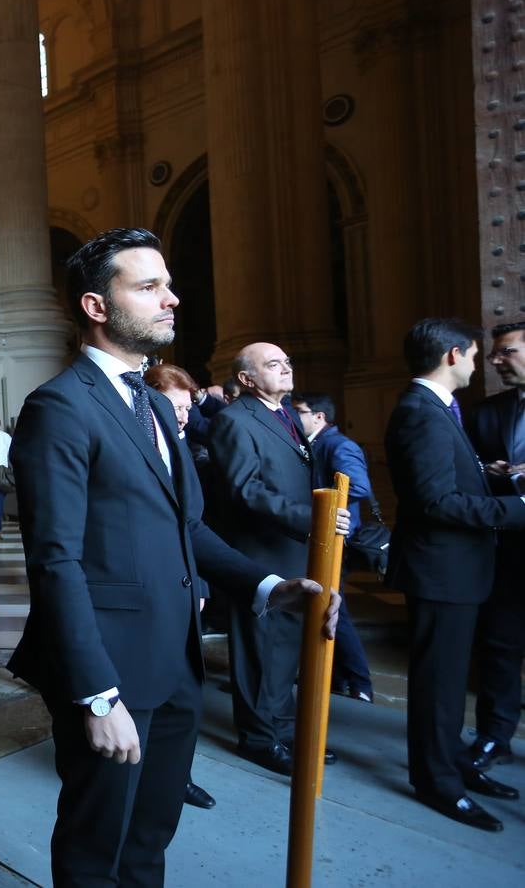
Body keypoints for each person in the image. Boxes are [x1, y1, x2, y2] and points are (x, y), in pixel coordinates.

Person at [8, 228, 340, 886]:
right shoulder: (59, 408)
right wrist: (96, 696)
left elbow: (187, 526)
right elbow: (54, 563)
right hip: (110, 672)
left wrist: (270, 585)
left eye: (167, 284)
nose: (172, 299)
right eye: (149, 286)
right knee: (95, 847)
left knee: (149, 840)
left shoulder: (156, 404)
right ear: (96, 307)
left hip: (175, 661)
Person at [386, 318, 525, 832]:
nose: (477, 363)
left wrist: (489, 478)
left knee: (448, 683)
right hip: (440, 571)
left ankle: (455, 764)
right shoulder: (420, 411)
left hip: (458, 570)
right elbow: (436, 502)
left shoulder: (437, 408)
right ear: (450, 355)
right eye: (471, 354)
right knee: (438, 684)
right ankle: (437, 782)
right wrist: (519, 509)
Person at [206, 342, 348, 775]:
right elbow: (246, 489)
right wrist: (314, 519)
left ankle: (285, 733)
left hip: (292, 549)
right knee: (261, 651)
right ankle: (258, 739)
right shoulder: (233, 420)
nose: (286, 368)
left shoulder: (284, 414)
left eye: (287, 361)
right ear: (247, 380)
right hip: (261, 552)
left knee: (285, 652)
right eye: (273, 364)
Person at [144, 363, 217, 813]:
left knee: (182, 694)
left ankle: (178, 775)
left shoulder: (183, 444)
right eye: (176, 407)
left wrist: (203, 578)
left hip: (186, 587)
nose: (185, 417)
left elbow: (192, 525)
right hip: (147, 591)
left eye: (189, 407)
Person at [464, 321, 525, 772]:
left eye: (506, 352)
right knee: (500, 645)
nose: (495, 361)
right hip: (506, 550)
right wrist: (493, 471)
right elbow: (468, 469)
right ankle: (494, 736)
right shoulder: (486, 412)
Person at [291, 391, 375, 703]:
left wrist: (322, 504)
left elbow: (359, 485)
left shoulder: (337, 444)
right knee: (326, 605)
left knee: (333, 608)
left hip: (339, 538)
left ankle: (360, 682)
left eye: (299, 410)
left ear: (319, 417)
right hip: (324, 537)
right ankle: (339, 678)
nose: (293, 416)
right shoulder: (315, 442)